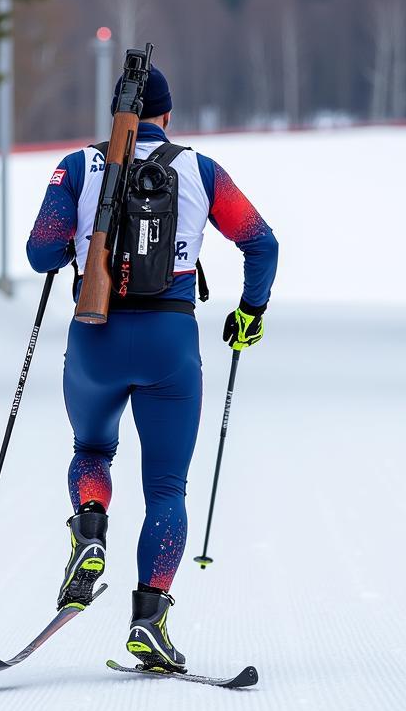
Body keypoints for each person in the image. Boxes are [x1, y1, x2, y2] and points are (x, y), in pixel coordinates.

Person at [25, 65, 278, 672]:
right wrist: (249, 312)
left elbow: (39, 253)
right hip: (170, 342)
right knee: (166, 488)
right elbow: (262, 243)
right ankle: (149, 621)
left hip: (95, 340)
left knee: (91, 448)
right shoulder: (199, 170)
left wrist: (80, 246)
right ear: (167, 116)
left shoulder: (78, 166)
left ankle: (89, 530)